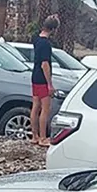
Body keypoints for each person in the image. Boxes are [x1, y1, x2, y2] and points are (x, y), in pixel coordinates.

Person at [30, 15, 59, 146]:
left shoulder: (36, 40)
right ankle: (43, 137)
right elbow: (45, 64)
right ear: (54, 29)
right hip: (42, 78)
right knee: (45, 108)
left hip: (34, 76)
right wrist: (50, 84)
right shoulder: (46, 44)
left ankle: (34, 136)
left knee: (35, 106)